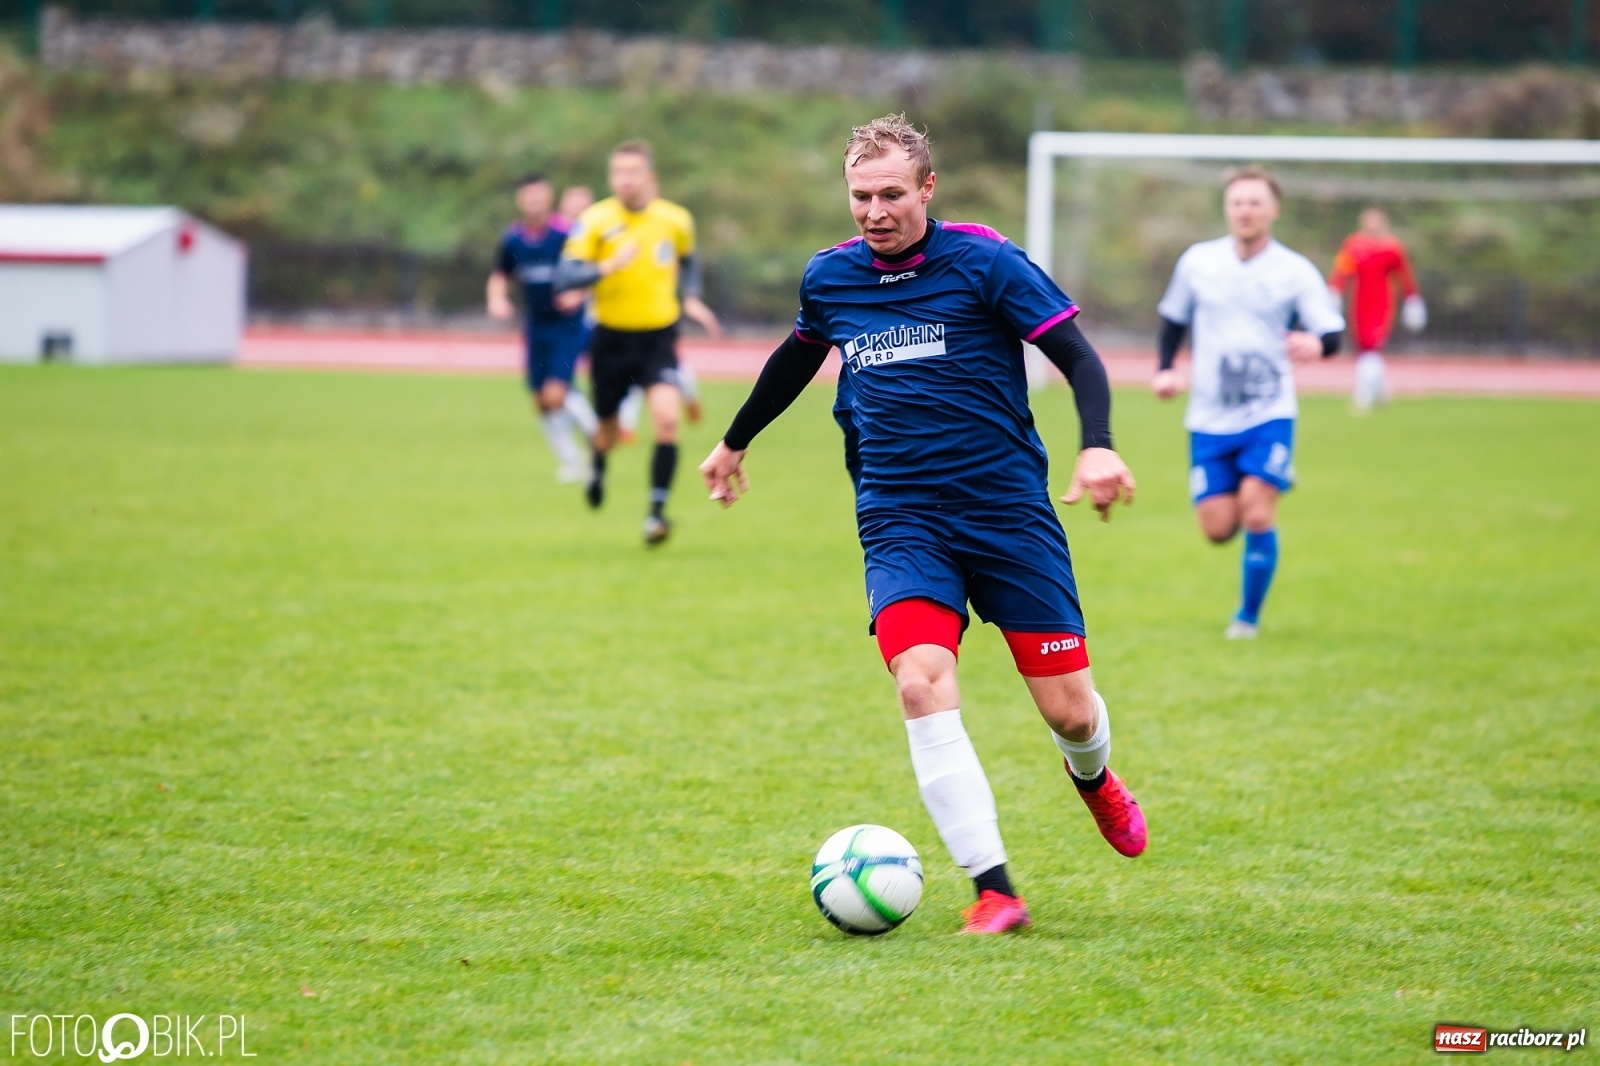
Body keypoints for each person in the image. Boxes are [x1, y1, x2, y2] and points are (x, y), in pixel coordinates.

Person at [699, 114, 1144, 935]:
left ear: (928, 189)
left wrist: (1098, 449)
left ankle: (1096, 780)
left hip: (1009, 515)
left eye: (892, 194)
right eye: (861, 195)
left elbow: (1079, 355)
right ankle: (995, 888)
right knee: (919, 682)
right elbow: (797, 357)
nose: (875, 211)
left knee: (1070, 713)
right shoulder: (830, 278)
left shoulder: (985, 261)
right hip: (902, 519)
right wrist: (733, 442)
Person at [1152, 166, 1346, 639]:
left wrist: (1318, 345)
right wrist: (1165, 367)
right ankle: (1266, 476)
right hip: (1210, 415)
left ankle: (1247, 617)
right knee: (1218, 529)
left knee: (1258, 513)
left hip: (1269, 410)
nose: (1246, 210)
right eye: (1238, 202)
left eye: (1255, 202)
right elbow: (1173, 319)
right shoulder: (1198, 261)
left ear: (1273, 210)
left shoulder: (1294, 270)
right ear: (1227, 209)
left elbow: (1332, 330)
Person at [555, 140, 703, 547]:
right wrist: (606, 266)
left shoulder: (676, 220)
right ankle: (599, 462)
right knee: (607, 431)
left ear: (650, 177)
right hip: (611, 340)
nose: (625, 179)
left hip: (658, 338)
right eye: (618, 172)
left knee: (668, 421)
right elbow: (564, 277)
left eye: (633, 171)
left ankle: (656, 515)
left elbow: (689, 262)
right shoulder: (595, 220)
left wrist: (688, 297)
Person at [486, 174, 599, 483]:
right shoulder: (513, 239)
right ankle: (571, 462)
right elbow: (500, 274)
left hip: (567, 326)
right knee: (540, 401)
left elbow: (593, 270)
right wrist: (497, 299)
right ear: (520, 201)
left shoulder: (567, 235)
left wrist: (578, 293)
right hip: (535, 326)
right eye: (528, 198)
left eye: (539, 197)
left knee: (556, 394)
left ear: (550, 199)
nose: (534, 203)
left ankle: (596, 436)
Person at [1328, 206, 1425, 413]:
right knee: (1363, 345)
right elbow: (1342, 270)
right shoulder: (1354, 245)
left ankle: (1363, 393)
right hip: (1360, 300)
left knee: (1372, 343)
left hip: (1382, 300)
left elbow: (1404, 275)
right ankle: (1382, 390)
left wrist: (1412, 299)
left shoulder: (1391, 248)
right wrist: (1334, 291)